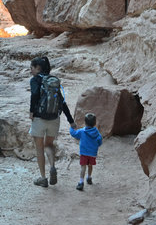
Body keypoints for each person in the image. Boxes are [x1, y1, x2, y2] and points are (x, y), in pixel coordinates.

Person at [29, 56, 74, 188]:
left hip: (39, 118)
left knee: (39, 148)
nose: (30, 71)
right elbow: (62, 101)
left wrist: (31, 112)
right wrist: (71, 120)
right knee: (48, 144)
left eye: (32, 68)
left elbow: (34, 96)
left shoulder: (35, 80)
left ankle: (43, 178)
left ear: (38, 68)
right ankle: (53, 166)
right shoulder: (53, 81)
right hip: (54, 118)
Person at [69, 112, 103, 191]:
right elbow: (100, 142)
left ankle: (81, 182)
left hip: (84, 153)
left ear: (85, 122)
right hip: (92, 154)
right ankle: (89, 177)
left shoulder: (82, 131)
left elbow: (73, 134)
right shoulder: (97, 133)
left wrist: (72, 127)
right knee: (90, 165)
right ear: (95, 123)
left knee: (83, 166)